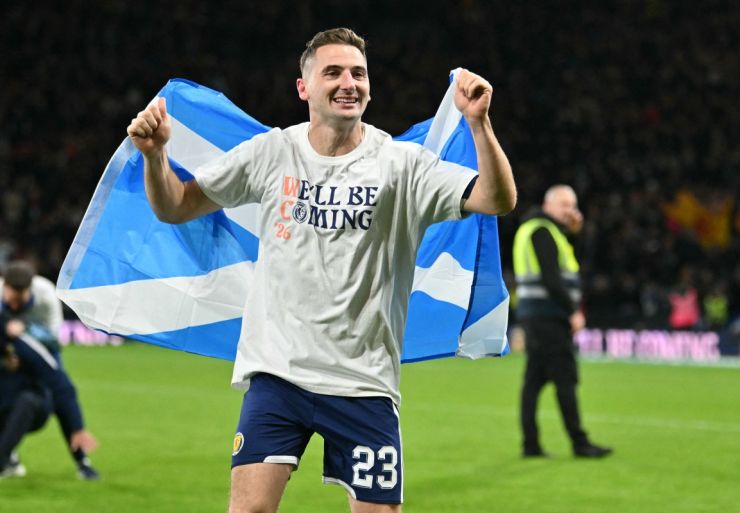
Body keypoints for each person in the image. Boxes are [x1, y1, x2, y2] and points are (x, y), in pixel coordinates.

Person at [127, 27, 516, 513]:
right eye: (333, 72)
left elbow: (496, 199)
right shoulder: (272, 152)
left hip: (364, 384)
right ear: (304, 87)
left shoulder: (402, 164)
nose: (348, 82)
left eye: (358, 73)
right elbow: (176, 206)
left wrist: (479, 125)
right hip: (278, 374)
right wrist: (156, 155)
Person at [512, 185, 612, 459]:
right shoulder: (543, 231)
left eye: (573, 205)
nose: (570, 210)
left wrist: (575, 233)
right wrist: (572, 311)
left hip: (536, 314)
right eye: (564, 204)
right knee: (565, 377)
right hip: (548, 316)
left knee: (534, 380)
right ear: (548, 205)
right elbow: (551, 277)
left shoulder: (539, 230)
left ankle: (530, 445)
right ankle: (579, 442)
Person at [0, 260, 100, 479]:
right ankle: (8, 456)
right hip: (11, 355)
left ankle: (81, 459)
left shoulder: (46, 296)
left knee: (54, 388)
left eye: (20, 301)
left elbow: (53, 343)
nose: (15, 306)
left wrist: (24, 331)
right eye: (11, 300)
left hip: (35, 348)